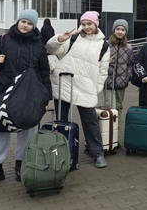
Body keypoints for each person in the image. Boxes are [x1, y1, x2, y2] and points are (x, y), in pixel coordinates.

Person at [0, 9, 52, 188]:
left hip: (27, 93)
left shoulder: (38, 45)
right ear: (18, 21)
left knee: (26, 128)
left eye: (30, 23)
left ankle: (21, 165)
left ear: (34, 26)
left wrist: (46, 98)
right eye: (23, 21)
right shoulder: (4, 39)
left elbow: (44, 73)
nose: (25, 25)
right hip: (2, 90)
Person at [46, 11, 111, 169]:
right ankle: (61, 152)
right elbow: (52, 49)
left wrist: (96, 88)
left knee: (90, 122)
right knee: (61, 120)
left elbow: (103, 70)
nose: (87, 27)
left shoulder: (104, 45)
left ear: (96, 24)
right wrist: (60, 39)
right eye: (84, 24)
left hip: (86, 87)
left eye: (89, 24)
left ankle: (97, 153)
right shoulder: (73, 38)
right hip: (65, 82)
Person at [106, 19, 133, 118]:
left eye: (123, 29)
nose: (120, 32)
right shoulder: (106, 45)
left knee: (118, 107)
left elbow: (130, 64)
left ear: (125, 32)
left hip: (121, 82)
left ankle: (116, 130)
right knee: (110, 107)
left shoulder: (128, 47)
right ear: (114, 30)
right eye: (118, 29)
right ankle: (109, 131)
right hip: (108, 82)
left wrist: (127, 77)